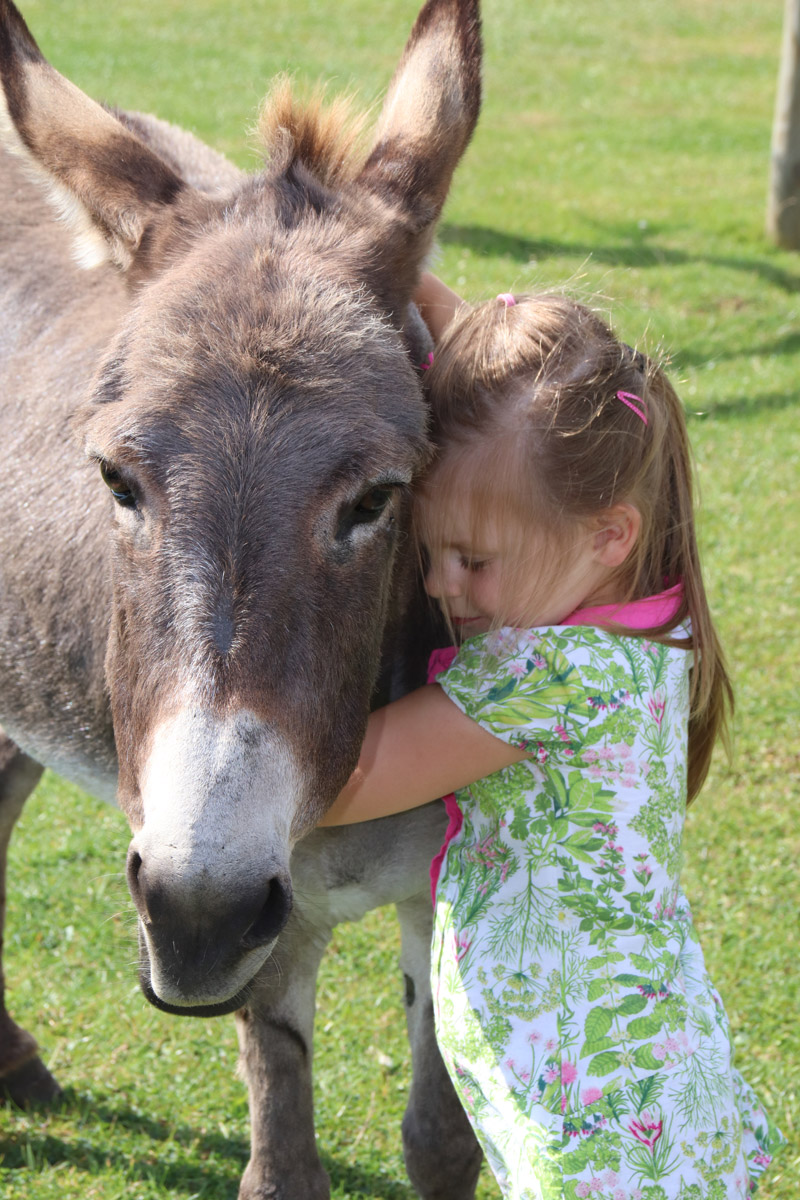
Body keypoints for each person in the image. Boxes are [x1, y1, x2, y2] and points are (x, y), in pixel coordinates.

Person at [319, 281, 785, 1199]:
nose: (443, 587)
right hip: (649, 1070)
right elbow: (521, 408)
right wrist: (400, 267)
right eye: (429, 554)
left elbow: (347, 778)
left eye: (473, 561)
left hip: (599, 1115)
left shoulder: (544, 678)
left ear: (609, 532)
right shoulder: (652, 620)